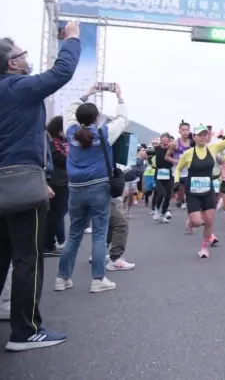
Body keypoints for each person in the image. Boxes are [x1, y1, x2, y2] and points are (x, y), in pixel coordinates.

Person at [0, 23, 81, 351]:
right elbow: (63, 71)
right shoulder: (17, 87)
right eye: (22, 54)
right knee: (29, 257)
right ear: (12, 63)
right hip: (24, 185)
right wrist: (71, 39)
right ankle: (25, 331)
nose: (26, 58)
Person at [54, 82, 128, 294]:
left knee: (75, 233)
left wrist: (88, 93)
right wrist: (119, 97)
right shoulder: (104, 132)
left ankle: (62, 278)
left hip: (75, 187)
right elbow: (123, 120)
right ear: (96, 118)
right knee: (99, 233)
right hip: (98, 186)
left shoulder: (70, 131)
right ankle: (98, 279)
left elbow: (69, 110)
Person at [173, 120, 225, 258]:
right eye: (200, 135)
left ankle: (204, 248)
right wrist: (176, 182)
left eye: (205, 135)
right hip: (193, 192)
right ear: (194, 137)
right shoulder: (188, 154)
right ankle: (191, 221)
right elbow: (178, 168)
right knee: (197, 222)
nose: (203, 137)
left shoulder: (213, 148)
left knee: (209, 221)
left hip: (208, 191)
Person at [44, 116, 69, 256]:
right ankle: (47, 245)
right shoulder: (53, 143)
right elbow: (60, 159)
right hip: (56, 182)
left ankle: (51, 243)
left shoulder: (58, 142)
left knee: (57, 214)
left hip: (60, 181)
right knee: (55, 214)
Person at [165, 122, 192, 209]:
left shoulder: (192, 143)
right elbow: (166, 156)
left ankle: (183, 201)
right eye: (183, 130)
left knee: (187, 189)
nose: (185, 132)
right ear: (179, 131)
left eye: (187, 130)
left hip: (188, 170)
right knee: (178, 189)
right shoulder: (175, 143)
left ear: (189, 131)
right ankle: (178, 200)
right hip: (177, 171)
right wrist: (175, 161)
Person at [150, 133, 174, 223]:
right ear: (161, 140)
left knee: (168, 195)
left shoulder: (171, 149)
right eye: (162, 138)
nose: (164, 140)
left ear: (169, 140)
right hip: (159, 173)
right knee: (161, 193)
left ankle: (163, 213)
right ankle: (156, 210)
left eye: (166, 139)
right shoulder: (156, 149)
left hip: (168, 173)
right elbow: (147, 154)